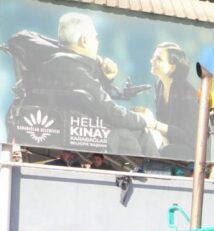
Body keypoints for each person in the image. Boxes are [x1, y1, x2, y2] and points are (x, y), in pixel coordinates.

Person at [39, 13, 156, 155]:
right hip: (82, 132)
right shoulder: (75, 69)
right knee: (130, 134)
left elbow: (92, 100)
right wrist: (143, 119)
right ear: (84, 40)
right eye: (95, 37)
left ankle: (156, 172)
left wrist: (106, 79)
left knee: (141, 132)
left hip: (79, 127)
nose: (97, 42)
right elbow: (110, 112)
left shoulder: (62, 62)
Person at [137, 42, 198, 159]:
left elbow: (186, 134)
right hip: (168, 142)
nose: (152, 60)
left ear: (172, 67)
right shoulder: (159, 85)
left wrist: (154, 124)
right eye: (153, 57)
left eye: (158, 58)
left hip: (189, 148)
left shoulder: (187, 93)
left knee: (161, 150)